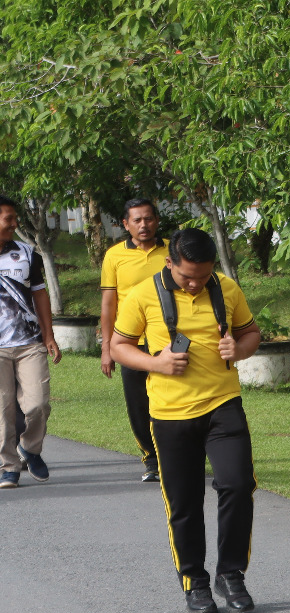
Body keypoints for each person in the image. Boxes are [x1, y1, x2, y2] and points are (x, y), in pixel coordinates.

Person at [109, 228, 262, 613]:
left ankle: (232, 574)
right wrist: (156, 363)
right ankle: (194, 581)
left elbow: (251, 334)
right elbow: (118, 346)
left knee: (238, 484)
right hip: (170, 413)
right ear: (169, 263)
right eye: (187, 276)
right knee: (184, 501)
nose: (195, 284)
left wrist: (238, 348)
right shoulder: (144, 294)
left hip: (223, 405)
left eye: (203, 275)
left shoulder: (226, 288)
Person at [98, 198, 168, 482]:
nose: (144, 225)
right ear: (125, 224)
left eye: (149, 219)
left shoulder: (172, 250)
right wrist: (107, 347)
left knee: (170, 399)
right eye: (137, 220)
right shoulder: (114, 256)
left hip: (167, 339)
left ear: (157, 220)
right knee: (139, 402)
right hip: (130, 342)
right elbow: (108, 304)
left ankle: (177, 455)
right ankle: (151, 459)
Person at [0, 195, 62, 490]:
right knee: (3, 410)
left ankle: (30, 449)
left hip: (29, 342)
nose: (14, 224)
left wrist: (48, 335)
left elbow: (39, 294)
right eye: (8, 219)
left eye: (14, 218)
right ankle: (8, 465)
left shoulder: (26, 253)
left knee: (37, 404)